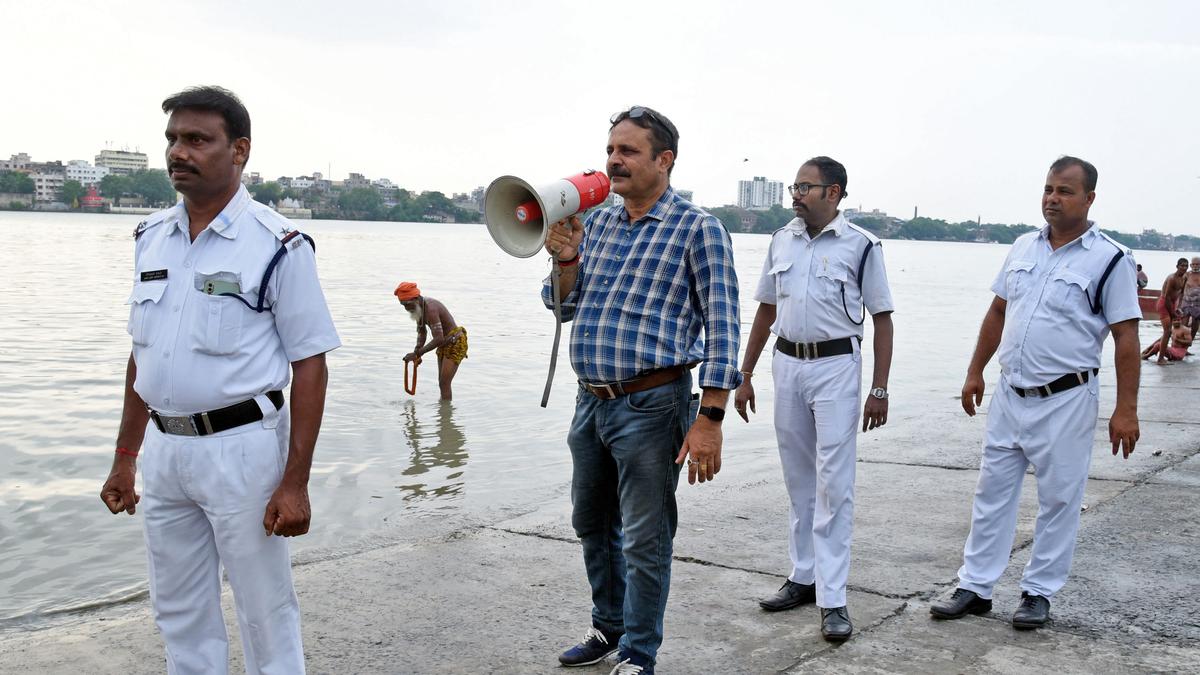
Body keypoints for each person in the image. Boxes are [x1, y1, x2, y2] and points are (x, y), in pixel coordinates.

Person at [100, 86, 340, 674]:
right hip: (166, 449)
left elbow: (310, 363)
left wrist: (295, 482)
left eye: (197, 140)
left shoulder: (277, 244)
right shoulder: (150, 238)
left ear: (239, 151)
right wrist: (125, 456)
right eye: (173, 140)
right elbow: (143, 355)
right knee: (178, 607)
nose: (179, 152)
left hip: (243, 451)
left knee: (264, 608)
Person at [542, 105, 740, 675]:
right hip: (591, 401)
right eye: (610, 150)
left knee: (645, 535)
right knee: (590, 521)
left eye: (628, 151)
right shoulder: (596, 220)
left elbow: (724, 327)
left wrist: (710, 419)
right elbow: (563, 306)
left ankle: (639, 651)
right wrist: (568, 257)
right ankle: (609, 627)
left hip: (654, 405)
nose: (613, 161)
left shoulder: (697, 228)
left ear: (664, 160)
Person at [930, 156, 1139, 631]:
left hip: (1066, 398)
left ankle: (1038, 592)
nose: (1052, 198)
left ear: (1088, 199)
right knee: (992, 492)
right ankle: (975, 587)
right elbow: (999, 312)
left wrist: (1126, 409)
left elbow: (1127, 336)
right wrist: (974, 371)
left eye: (1065, 191)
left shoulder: (1110, 259)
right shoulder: (1023, 247)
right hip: (1010, 394)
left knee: (1060, 498)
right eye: (1048, 188)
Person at [734, 156, 894, 642]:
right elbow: (766, 307)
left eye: (806, 187)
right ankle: (803, 576)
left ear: (835, 192)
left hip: (836, 368)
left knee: (834, 484)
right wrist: (745, 373)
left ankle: (833, 597)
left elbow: (882, 318)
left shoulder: (862, 246)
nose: (796, 195)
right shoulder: (782, 240)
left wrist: (879, 389)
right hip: (788, 364)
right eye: (794, 186)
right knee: (799, 479)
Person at [395, 282, 466, 400]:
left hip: (455, 343)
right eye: (403, 305)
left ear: (416, 298)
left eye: (408, 304)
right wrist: (417, 350)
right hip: (444, 344)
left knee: (444, 383)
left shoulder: (431, 309)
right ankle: (444, 416)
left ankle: (445, 415)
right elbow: (422, 332)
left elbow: (438, 338)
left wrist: (418, 353)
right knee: (442, 383)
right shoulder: (419, 308)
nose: (407, 308)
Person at [1155, 258, 1188, 364]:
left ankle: (1148, 352)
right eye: (1182, 265)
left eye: (1186, 266)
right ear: (1177, 266)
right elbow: (1167, 298)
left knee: (1167, 332)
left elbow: (1181, 293)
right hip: (1164, 304)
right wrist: (1172, 313)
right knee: (1167, 331)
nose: (1184, 268)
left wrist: (1178, 307)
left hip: (1173, 304)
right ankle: (1160, 359)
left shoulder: (1184, 278)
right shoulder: (1172, 278)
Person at [1176, 257, 1200, 339]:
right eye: (1193, 264)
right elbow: (1181, 291)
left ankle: (1188, 343)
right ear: (1190, 265)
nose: (1195, 266)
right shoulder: (1187, 275)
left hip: (1198, 305)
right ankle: (1180, 345)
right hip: (1186, 303)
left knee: (1195, 326)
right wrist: (1178, 305)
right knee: (1184, 324)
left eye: (1197, 264)